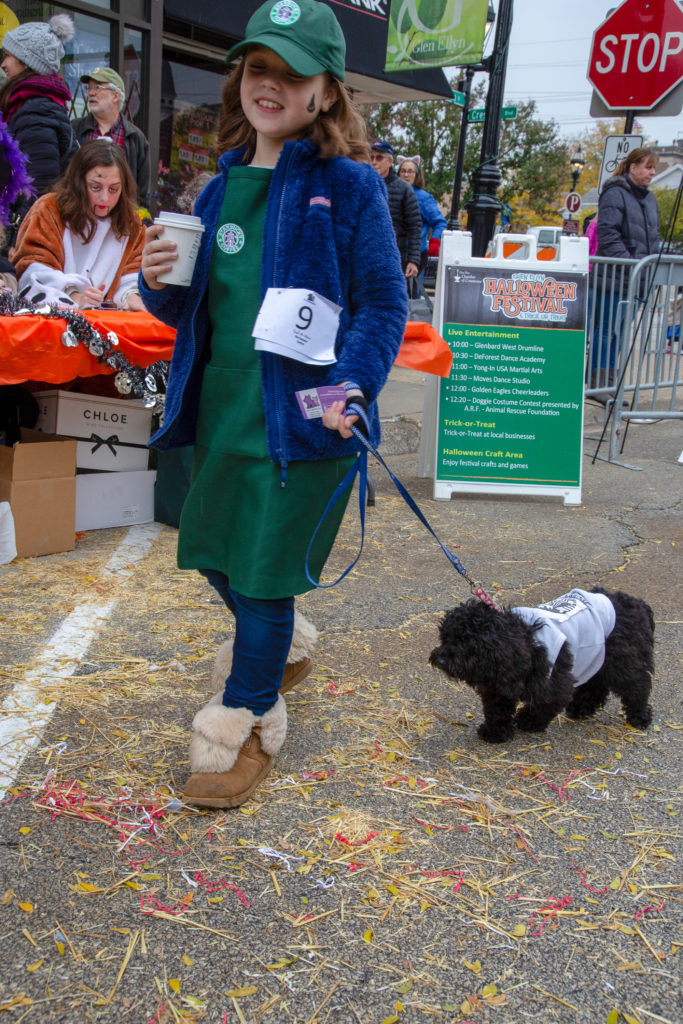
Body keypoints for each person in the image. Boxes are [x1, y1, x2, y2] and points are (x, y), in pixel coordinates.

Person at [139, 0, 407, 810]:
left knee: (259, 583)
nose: (271, 85)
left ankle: (247, 720)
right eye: (259, 67)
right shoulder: (215, 192)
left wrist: (347, 388)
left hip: (304, 425)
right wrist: (158, 285)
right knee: (218, 557)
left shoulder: (350, 186)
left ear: (325, 92)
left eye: (292, 73)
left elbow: (381, 307)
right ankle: (276, 649)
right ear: (240, 78)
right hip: (218, 416)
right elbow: (192, 315)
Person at [13, 138, 145, 310]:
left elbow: (131, 277)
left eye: (114, 189)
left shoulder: (131, 224)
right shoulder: (49, 209)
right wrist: (74, 296)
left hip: (109, 327)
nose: (105, 198)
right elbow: (32, 272)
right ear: (79, 182)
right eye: (95, 187)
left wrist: (130, 296)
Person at [0, 15, 78, 241]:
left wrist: (16, 243)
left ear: (27, 62)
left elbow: (39, 190)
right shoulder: (35, 104)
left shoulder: (35, 110)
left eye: (8, 56)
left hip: (25, 242)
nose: (3, 64)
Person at [590, 148, 660, 397]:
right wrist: (631, 265)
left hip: (638, 278)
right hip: (615, 276)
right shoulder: (615, 193)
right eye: (648, 167)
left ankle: (609, 384)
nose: (652, 172)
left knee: (621, 333)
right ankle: (597, 383)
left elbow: (653, 238)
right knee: (607, 329)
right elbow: (608, 234)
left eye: (654, 168)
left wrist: (650, 267)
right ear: (632, 167)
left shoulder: (649, 199)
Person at [71, 67, 151, 207]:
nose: (90, 93)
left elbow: (141, 196)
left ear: (115, 96)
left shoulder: (136, 139)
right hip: (78, 216)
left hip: (118, 223)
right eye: (89, 88)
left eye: (98, 87)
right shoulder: (73, 129)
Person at [370, 139, 421, 280]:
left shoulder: (404, 189)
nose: (374, 161)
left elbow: (415, 226)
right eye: (372, 157)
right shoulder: (364, 184)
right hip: (366, 256)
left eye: (379, 158)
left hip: (394, 258)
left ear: (390, 161)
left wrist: (413, 260)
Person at [397, 154, 446, 269]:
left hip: (415, 255)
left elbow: (440, 222)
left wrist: (435, 240)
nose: (406, 174)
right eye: (403, 171)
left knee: (412, 287)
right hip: (394, 252)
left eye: (410, 171)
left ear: (417, 175)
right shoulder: (391, 193)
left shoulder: (424, 198)